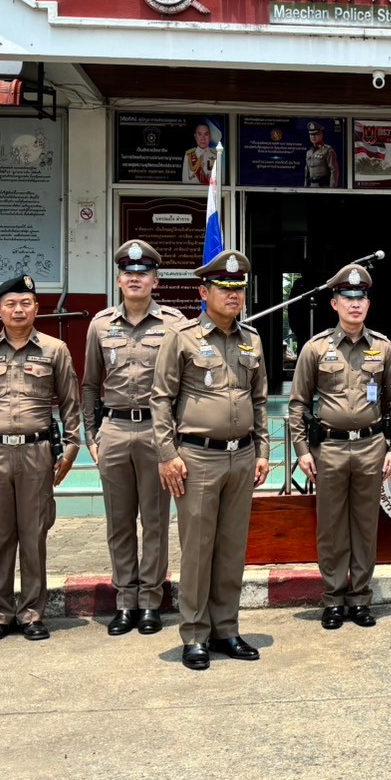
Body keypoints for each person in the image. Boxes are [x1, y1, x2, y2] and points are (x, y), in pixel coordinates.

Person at [152, 250, 270, 670]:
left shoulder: (251, 339)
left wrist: (263, 450)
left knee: (232, 549)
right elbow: (161, 399)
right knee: (199, 550)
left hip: (242, 457)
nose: (233, 295)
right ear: (204, 292)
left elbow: (259, 399)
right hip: (198, 458)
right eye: (224, 287)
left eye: (239, 288)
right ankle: (194, 635)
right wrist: (167, 454)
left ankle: (226, 629)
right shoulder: (181, 338)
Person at [0, 274, 82, 643]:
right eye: (10, 304)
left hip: (37, 453)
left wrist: (71, 449)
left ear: (37, 308)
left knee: (33, 533)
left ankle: (31, 614)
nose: (18, 310)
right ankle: (0, 613)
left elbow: (71, 405)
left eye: (26, 303)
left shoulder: (55, 350)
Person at [288, 263, 391, 629]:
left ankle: (360, 599)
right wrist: (302, 451)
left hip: (371, 446)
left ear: (368, 304)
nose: (355, 304)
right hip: (330, 449)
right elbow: (298, 404)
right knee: (332, 526)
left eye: (361, 297)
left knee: (365, 526)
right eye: (348, 297)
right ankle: (334, 598)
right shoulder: (315, 348)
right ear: (334, 303)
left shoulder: (383, 348)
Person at [82, 241, 185, 638]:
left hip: (157, 432)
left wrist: (175, 439)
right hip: (114, 430)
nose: (135, 278)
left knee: (155, 521)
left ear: (155, 280)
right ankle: (126, 600)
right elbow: (90, 384)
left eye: (143, 273)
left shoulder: (174, 323)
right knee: (119, 521)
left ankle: (151, 601)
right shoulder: (100, 324)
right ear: (119, 279)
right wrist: (92, 435)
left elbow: (185, 383)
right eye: (128, 272)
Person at [304, 121, 339, 188]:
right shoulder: (309, 152)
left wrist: (332, 189)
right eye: (311, 134)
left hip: (323, 187)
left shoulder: (328, 150)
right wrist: (305, 187)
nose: (313, 136)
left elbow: (334, 170)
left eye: (316, 134)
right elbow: (306, 171)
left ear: (321, 135)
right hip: (311, 187)